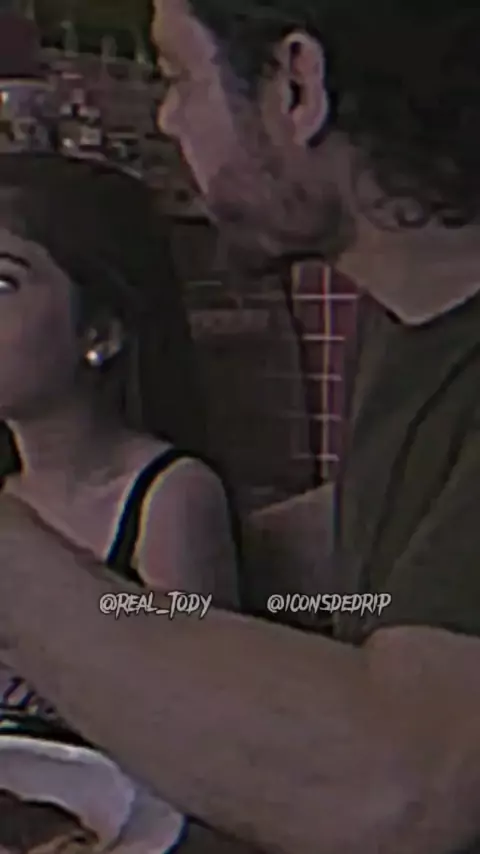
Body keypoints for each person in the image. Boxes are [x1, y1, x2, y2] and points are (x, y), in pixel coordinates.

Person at [1, 1, 480, 852]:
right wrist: (179, 549)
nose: (166, 118)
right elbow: (412, 542)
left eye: (178, 76)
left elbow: (406, 788)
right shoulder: (408, 317)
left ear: (297, 86)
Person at [0, 152, 240, 852]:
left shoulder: (169, 496)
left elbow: (196, 717)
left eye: (1, 282)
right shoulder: (8, 495)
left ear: (99, 333)